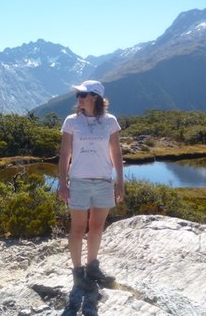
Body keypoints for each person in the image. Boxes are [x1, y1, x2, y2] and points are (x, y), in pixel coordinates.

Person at [57, 80, 124, 292]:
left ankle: (92, 266)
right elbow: (65, 154)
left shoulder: (110, 121)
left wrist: (120, 181)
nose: (79, 98)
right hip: (79, 181)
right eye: (78, 95)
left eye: (83, 94)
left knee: (96, 227)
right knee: (77, 228)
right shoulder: (71, 121)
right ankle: (78, 273)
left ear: (95, 96)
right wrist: (62, 182)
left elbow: (116, 152)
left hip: (104, 181)